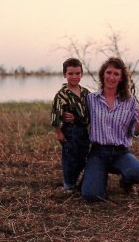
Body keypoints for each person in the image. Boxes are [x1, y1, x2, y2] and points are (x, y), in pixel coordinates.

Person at [81, 57, 139, 202]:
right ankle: (97, 175)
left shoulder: (131, 102)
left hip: (120, 152)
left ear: (121, 78)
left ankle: (126, 183)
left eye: (116, 74)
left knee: (138, 173)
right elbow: (78, 117)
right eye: (109, 72)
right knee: (91, 196)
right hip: (98, 153)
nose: (111, 77)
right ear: (102, 74)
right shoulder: (91, 99)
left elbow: (135, 132)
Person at [51, 58, 90, 191]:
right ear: (64, 74)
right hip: (69, 131)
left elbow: (91, 111)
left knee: (83, 157)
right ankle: (68, 185)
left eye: (77, 73)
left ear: (82, 74)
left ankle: (78, 181)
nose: (74, 77)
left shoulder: (86, 93)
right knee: (69, 158)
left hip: (84, 131)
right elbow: (55, 115)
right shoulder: (61, 95)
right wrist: (59, 133)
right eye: (71, 74)